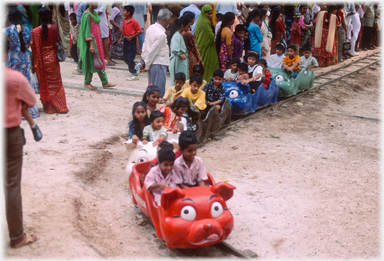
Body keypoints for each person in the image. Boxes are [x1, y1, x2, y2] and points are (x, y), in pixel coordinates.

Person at [4, 37, 39, 249]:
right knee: (11, 185)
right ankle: (17, 236)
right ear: (8, 51)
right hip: (9, 135)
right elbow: (32, 101)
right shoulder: (14, 79)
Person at [30, 7, 69, 114]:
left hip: (42, 61)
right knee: (56, 82)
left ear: (39, 17)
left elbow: (33, 50)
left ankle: (49, 107)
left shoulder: (35, 32)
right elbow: (57, 42)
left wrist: (33, 65)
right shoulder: (54, 28)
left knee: (45, 83)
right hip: (53, 59)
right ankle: (61, 106)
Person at [5, 7, 40, 119]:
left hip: (14, 62)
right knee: (25, 84)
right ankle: (30, 109)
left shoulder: (7, 31)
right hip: (25, 61)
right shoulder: (26, 30)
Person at [78, 2, 116, 90]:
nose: (97, 3)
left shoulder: (94, 13)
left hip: (97, 43)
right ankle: (87, 83)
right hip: (90, 45)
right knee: (90, 63)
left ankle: (105, 82)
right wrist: (91, 45)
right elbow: (87, 32)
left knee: (98, 62)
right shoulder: (87, 15)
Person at [141, 8, 172, 97]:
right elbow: (153, 51)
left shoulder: (151, 28)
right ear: (165, 20)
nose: (169, 23)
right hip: (158, 63)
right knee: (158, 91)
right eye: (169, 20)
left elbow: (145, 45)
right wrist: (146, 65)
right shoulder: (161, 34)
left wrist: (144, 60)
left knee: (152, 88)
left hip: (151, 63)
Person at [195, 5, 220, 82]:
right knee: (208, 64)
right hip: (206, 47)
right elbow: (211, 36)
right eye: (208, 14)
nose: (210, 15)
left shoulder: (202, 21)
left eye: (211, 13)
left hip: (204, 46)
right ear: (204, 13)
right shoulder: (204, 23)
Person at [118, 5, 142, 81]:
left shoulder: (134, 21)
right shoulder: (124, 20)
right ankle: (135, 66)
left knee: (130, 57)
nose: (123, 12)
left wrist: (131, 36)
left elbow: (139, 31)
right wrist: (120, 38)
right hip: (125, 40)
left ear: (129, 12)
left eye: (124, 11)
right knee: (125, 57)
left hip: (131, 40)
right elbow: (123, 30)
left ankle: (134, 73)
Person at [169, 14, 192, 84]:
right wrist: (180, 55)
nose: (189, 28)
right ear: (182, 26)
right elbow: (174, 49)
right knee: (179, 82)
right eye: (188, 26)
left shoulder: (179, 35)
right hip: (178, 62)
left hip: (179, 62)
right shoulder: (177, 36)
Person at [181, 11, 203, 77]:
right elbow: (195, 47)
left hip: (185, 55)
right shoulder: (189, 33)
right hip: (192, 56)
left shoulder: (182, 32)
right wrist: (200, 59)